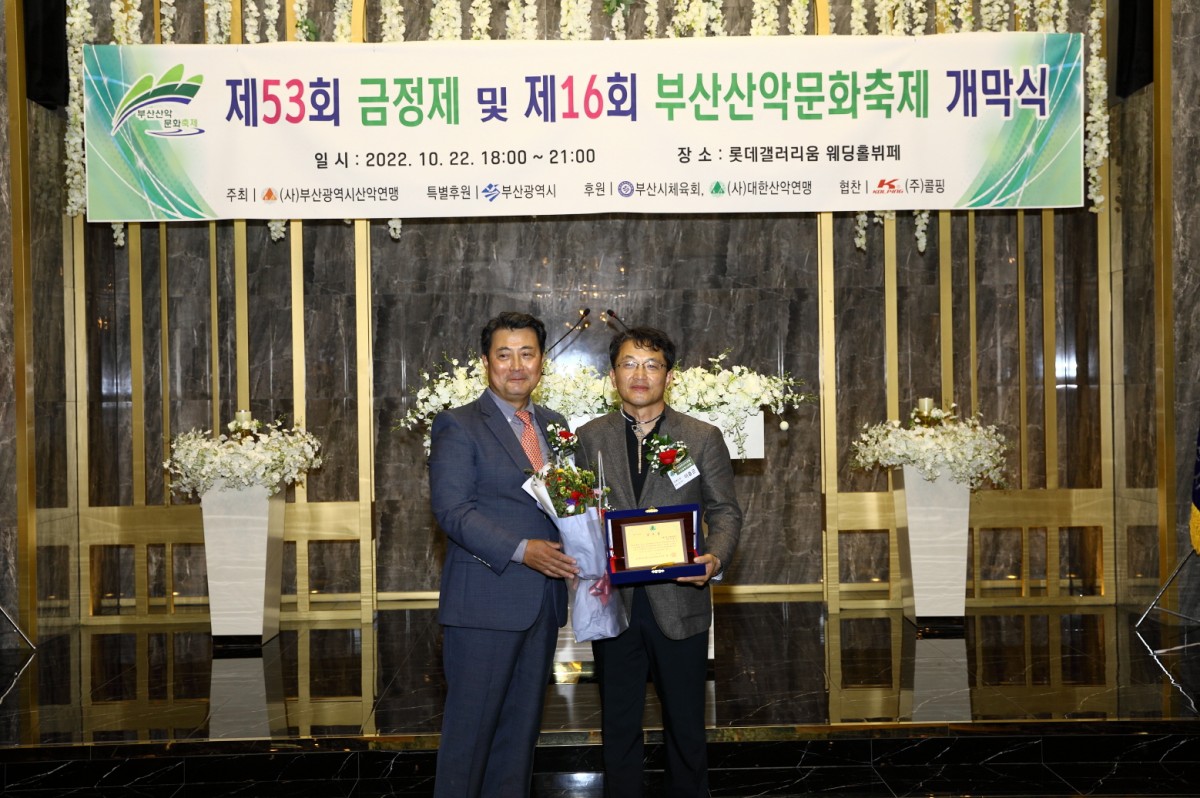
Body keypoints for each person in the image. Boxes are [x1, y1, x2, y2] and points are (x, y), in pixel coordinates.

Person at [575, 327, 743, 798]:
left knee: (686, 724)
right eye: (629, 364)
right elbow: (577, 513)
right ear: (613, 375)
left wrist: (714, 557)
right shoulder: (589, 438)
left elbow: (726, 511)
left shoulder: (701, 436)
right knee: (618, 722)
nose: (640, 374)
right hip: (614, 603)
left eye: (651, 365)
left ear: (669, 376)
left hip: (680, 601)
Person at [429, 311, 579, 798]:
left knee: (519, 738)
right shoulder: (458, 425)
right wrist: (522, 550)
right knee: (469, 740)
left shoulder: (554, 425)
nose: (517, 366)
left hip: (542, 604)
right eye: (504, 354)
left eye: (527, 354)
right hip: (484, 605)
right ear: (485, 362)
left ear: (541, 362)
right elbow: (452, 511)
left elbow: (568, 505)